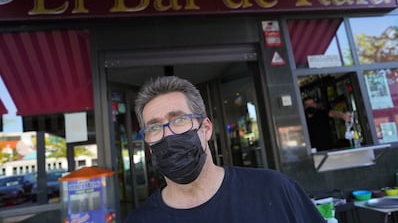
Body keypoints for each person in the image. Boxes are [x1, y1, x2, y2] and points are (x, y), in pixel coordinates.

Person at [125, 76, 325, 223]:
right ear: (148, 144)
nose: (167, 134)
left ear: (206, 128)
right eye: (154, 128)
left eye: (179, 120)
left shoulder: (275, 190)